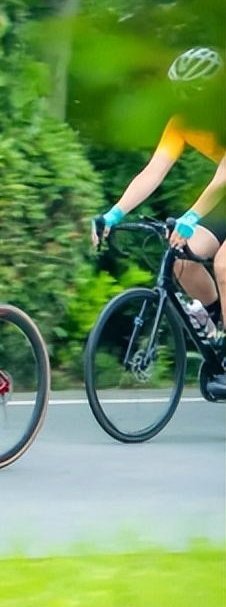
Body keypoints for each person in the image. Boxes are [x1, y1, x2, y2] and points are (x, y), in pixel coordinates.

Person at [95, 47, 225, 396]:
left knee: (225, 264)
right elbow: (152, 173)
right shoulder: (182, 122)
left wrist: (192, 215)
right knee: (183, 260)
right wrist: (114, 213)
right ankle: (219, 328)